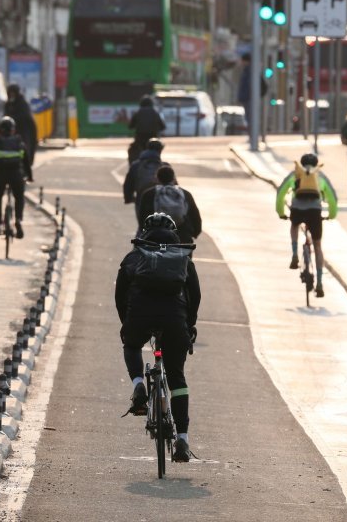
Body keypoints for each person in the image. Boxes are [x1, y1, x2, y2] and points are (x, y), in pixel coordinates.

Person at [114, 213, 201, 462]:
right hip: (174, 319)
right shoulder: (183, 257)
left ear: (144, 232)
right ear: (174, 233)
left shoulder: (134, 256)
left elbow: (120, 294)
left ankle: (139, 383)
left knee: (131, 346)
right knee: (177, 379)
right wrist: (190, 324)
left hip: (140, 314)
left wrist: (126, 323)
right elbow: (195, 294)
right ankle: (182, 440)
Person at [275, 153, 338, 298]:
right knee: (317, 246)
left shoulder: (296, 174)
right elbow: (332, 199)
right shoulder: (319, 177)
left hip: (297, 210)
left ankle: (295, 254)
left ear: (301, 165)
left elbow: (281, 194)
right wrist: (331, 215)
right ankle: (320, 283)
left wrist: (281, 212)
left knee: (294, 225)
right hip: (315, 213)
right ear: (316, 165)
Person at [0, 116, 31, 238]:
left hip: (0, 174)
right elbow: (26, 162)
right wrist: (30, 176)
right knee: (19, 197)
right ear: (13, 129)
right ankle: (18, 220)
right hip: (16, 174)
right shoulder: (19, 142)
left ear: (0, 130)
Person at [138, 165, 202, 244]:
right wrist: (194, 233)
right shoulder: (185, 194)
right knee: (184, 255)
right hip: (182, 237)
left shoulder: (149, 194)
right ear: (173, 178)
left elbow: (142, 217)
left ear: (157, 178)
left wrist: (145, 233)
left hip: (156, 238)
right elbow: (195, 216)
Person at [123, 139, 164, 226]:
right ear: (160, 150)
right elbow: (174, 186)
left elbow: (128, 184)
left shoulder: (136, 165)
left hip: (141, 199)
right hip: (162, 200)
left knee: (143, 227)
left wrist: (129, 198)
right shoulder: (165, 166)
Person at [4, 83, 39, 182]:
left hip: (24, 131)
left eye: (13, 94)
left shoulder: (22, 104)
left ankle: (25, 172)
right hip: (10, 132)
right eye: (9, 94)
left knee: (24, 151)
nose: (11, 96)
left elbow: (25, 117)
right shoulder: (8, 104)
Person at [128, 96, 166, 164]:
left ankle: (134, 166)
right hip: (153, 137)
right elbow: (163, 127)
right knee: (158, 148)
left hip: (140, 138)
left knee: (132, 151)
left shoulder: (138, 113)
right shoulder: (155, 112)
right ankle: (158, 162)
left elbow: (130, 126)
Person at [236, 53, 267, 132]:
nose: (241, 63)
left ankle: (253, 137)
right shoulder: (248, 71)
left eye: (242, 61)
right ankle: (252, 137)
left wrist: (244, 96)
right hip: (248, 98)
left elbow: (248, 86)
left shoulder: (250, 72)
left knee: (251, 118)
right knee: (249, 118)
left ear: (246, 61)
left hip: (249, 99)